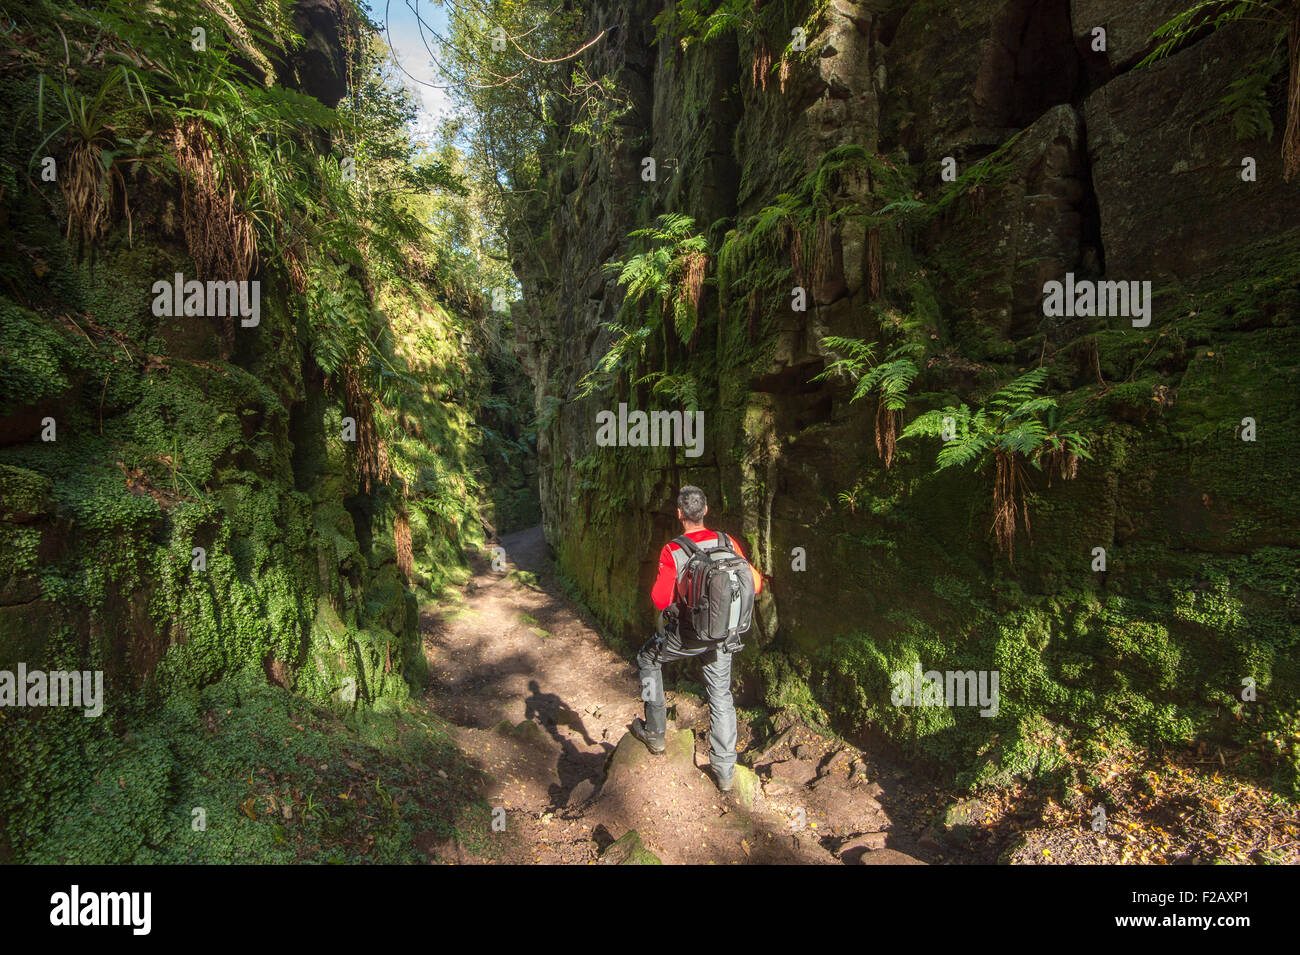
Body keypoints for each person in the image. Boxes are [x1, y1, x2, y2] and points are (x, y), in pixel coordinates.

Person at [631, 485, 763, 792]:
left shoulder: (673, 550)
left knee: (647, 659)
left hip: (688, 636)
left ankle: (655, 732)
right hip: (723, 636)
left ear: (679, 514)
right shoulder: (728, 542)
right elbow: (754, 584)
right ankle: (725, 772)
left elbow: (660, 599)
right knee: (721, 695)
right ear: (705, 511)